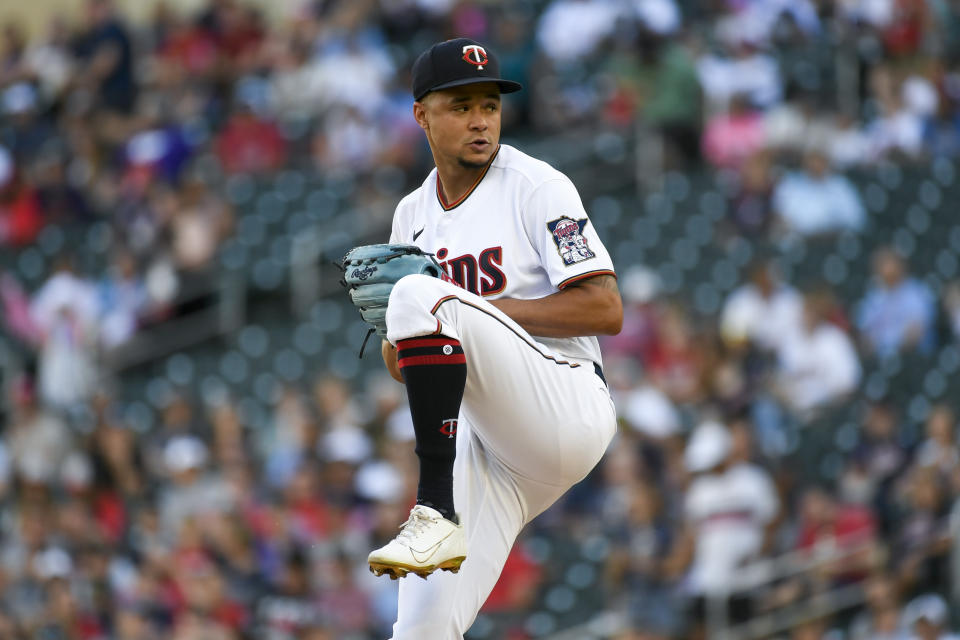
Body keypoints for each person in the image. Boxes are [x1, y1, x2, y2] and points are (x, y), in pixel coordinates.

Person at [367, 38, 621, 639]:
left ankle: (431, 511)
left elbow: (606, 307)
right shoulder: (412, 215)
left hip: (564, 404)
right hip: (488, 444)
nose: (481, 119)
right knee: (419, 629)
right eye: (461, 106)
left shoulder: (536, 185)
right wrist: (403, 337)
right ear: (421, 115)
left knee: (421, 293)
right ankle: (436, 515)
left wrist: (469, 309)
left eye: (490, 104)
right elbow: (402, 359)